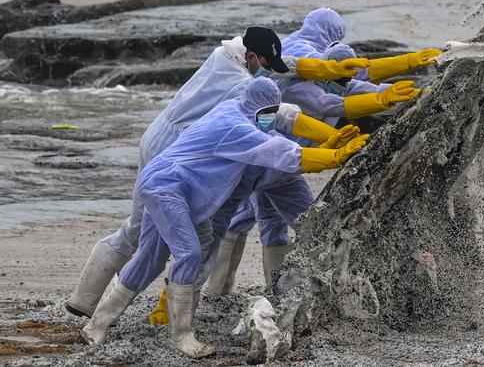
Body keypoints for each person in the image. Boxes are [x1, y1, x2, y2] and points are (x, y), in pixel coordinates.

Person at [66, 26, 370, 319]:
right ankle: (146, 309)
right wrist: (329, 145)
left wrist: (329, 71)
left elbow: (287, 66)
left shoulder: (223, 55)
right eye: (265, 62)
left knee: (142, 229)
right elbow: (282, 118)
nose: (269, 69)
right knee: (171, 236)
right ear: (251, 56)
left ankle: (86, 301)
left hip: (159, 138)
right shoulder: (239, 85)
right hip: (173, 151)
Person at [78, 78, 367, 358]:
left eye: (272, 113)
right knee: (189, 252)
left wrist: (327, 142)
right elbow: (277, 151)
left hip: (165, 183)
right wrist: (335, 157)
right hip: (167, 186)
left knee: (151, 256)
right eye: (267, 113)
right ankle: (181, 335)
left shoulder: (237, 108)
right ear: (256, 108)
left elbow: (278, 128)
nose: (270, 118)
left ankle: (96, 326)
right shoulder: (235, 127)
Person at [202, 39, 441, 296]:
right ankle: (219, 292)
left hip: (285, 171)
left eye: (344, 81)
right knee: (306, 226)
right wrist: (337, 151)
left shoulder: (340, 83)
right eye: (337, 78)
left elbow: (366, 83)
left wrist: (423, 94)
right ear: (326, 68)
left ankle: (270, 292)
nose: (342, 86)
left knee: (273, 223)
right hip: (272, 163)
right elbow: (326, 105)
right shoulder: (297, 88)